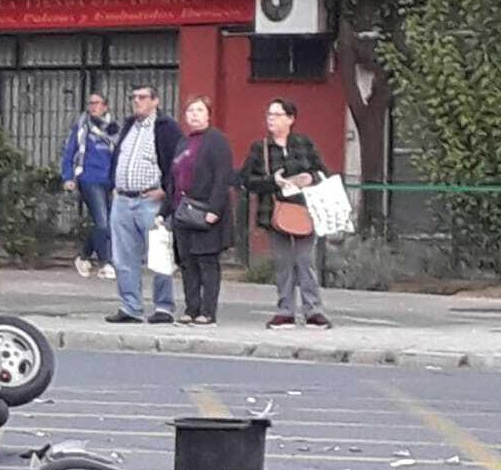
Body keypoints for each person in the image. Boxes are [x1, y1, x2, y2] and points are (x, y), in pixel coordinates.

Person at [239, 98, 332, 330]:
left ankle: (313, 310)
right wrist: (273, 181)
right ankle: (285, 311)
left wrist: (311, 178)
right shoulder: (260, 148)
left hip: (304, 210)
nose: (271, 118)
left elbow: (322, 171)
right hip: (274, 212)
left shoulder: (304, 143)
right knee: (283, 263)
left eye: (277, 114)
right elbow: (246, 180)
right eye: (269, 114)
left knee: (306, 260)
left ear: (291, 119)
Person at [105, 85, 182, 325]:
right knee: (124, 257)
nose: (136, 101)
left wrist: (166, 192)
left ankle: (163, 306)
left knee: (159, 255)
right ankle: (130, 306)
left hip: (150, 200)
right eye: (133, 97)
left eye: (142, 97)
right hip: (123, 200)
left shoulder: (166, 128)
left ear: (155, 101)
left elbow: (176, 163)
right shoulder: (129, 126)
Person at [167, 96, 235, 325]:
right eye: (190, 111)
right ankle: (191, 308)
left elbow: (222, 176)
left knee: (206, 261)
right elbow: (173, 176)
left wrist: (215, 208)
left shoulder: (217, 141)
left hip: (206, 210)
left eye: (199, 110)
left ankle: (208, 311)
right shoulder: (183, 142)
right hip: (183, 211)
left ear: (208, 114)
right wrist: (166, 208)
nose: (194, 115)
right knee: (187, 262)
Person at [60, 93, 118, 280]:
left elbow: (118, 155)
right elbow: (70, 153)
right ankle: (106, 262)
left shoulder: (113, 129)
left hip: (109, 181)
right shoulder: (81, 128)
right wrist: (68, 176)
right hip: (88, 179)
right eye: (90, 103)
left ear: (105, 107)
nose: (93, 107)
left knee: (107, 222)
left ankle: (83, 256)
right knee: (102, 221)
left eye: (97, 103)